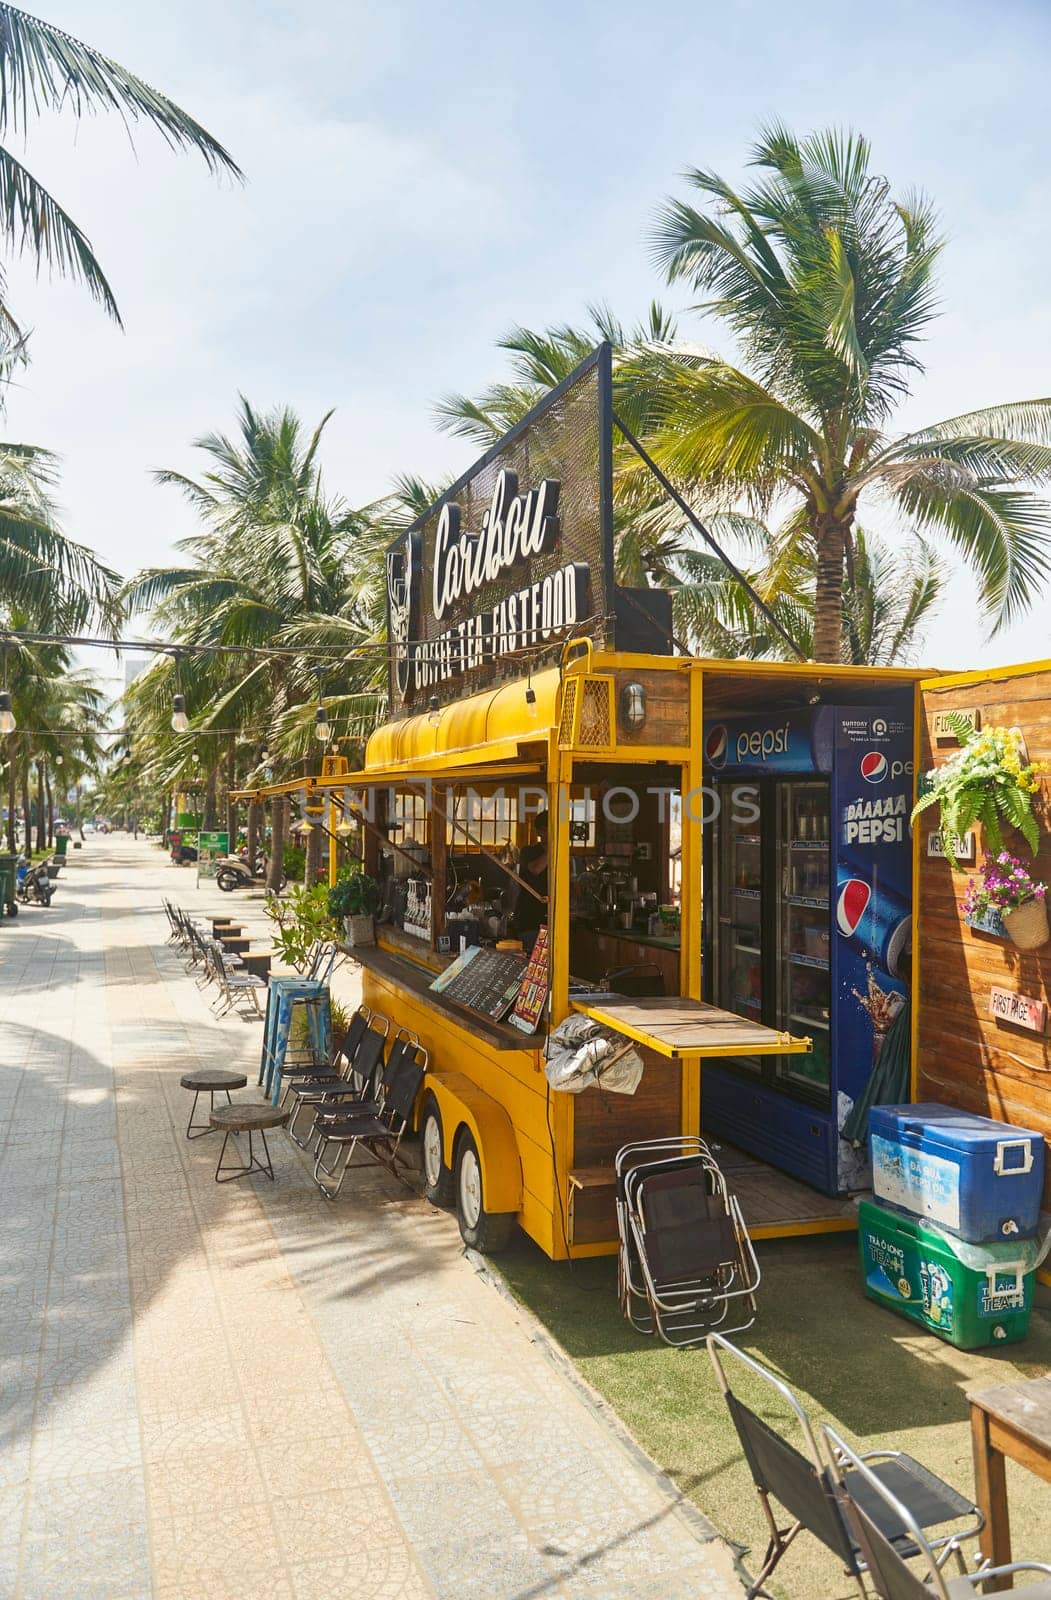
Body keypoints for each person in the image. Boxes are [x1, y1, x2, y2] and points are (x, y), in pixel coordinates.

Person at [514, 810, 549, 953]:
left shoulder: (563, 853)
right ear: (539, 832)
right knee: (532, 967)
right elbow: (536, 869)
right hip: (530, 921)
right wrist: (554, 846)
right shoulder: (528, 851)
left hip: (553, 921)